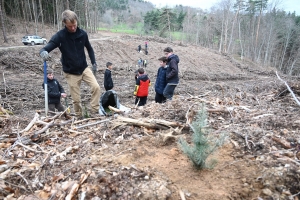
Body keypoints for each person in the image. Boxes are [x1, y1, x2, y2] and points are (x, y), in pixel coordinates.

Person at [39, 10, 101, 118]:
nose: (73, 28)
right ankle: (79, 116)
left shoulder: (83, 34)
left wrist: (94, 62)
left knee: (96, 87)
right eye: (70, 26)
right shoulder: (60, 36)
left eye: (74, 25)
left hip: (84, 68)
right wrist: (43, 52)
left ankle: (94, 111)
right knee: (76, 99)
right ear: (64, 24)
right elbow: (47, 47)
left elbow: (90, 49)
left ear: (77, 21)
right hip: (70, 72)